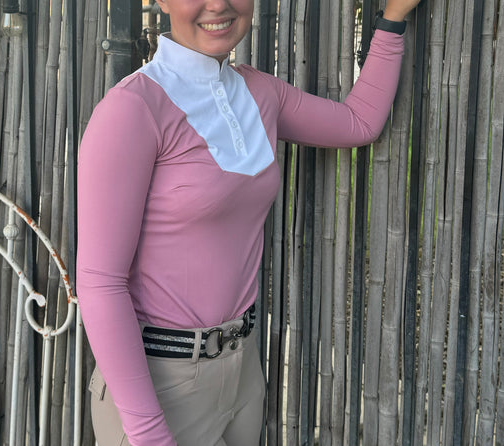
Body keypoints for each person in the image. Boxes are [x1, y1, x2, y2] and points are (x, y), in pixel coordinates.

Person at [76, 0, 421, 444]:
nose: (217, 4)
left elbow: (358, 123)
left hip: (242, 373)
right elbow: (100, 283)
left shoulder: (259, 92)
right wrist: (147, 433)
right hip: (158, 387)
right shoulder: (131, 110)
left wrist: (393, 17)